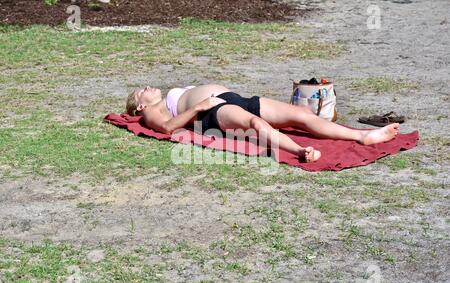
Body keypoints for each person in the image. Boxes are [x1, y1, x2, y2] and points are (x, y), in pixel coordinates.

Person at [125, 84, 400, 162]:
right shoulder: (151, 111)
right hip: (212, 112)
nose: (148, 87)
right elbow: (166, 128)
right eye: (141, 90)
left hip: (231, 98)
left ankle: (361, 136)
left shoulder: (160, 97)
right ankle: (299, 151)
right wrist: (199, 106)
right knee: (256, 124)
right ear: (139, 105)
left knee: (302, 115)